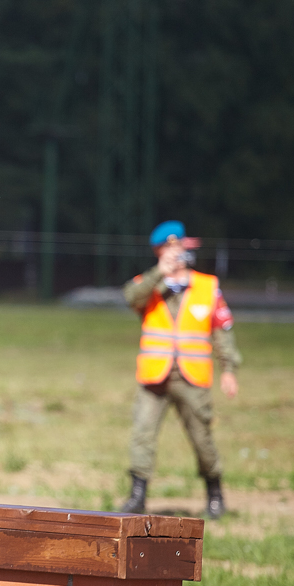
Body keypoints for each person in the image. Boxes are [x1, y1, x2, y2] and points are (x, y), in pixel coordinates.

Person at [120, 220, 241, 519]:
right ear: (159, 251)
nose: (180, 254)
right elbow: (130, 298)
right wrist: (159, 273)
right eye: (171, 249)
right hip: (154, 376)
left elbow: (222, 329)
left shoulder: (207, 286)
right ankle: (137, 497)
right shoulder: (149, 284)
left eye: (182, 248)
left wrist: (229, 368)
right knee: (142, 435)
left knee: (202, 439)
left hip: (192, 378)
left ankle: (215, 494)